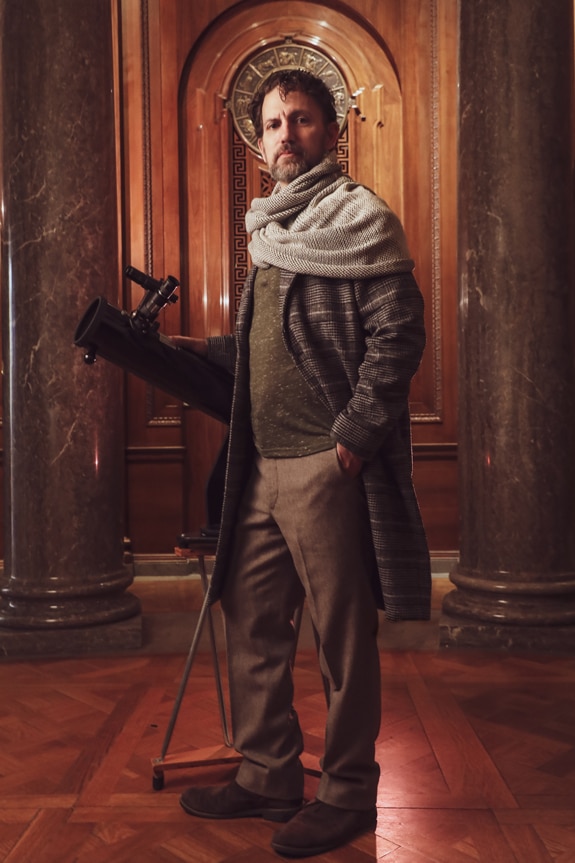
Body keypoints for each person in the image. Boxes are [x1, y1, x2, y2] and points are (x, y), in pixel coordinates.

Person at [173, 68, 431, 859]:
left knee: (341, 638)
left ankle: (348, 791)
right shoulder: (270, 231)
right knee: (251, 618)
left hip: (329, 463)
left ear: (331, 132)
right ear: (260, 140)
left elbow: (398, 338)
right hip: (259, 463)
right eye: (274, 123)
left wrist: (353, 435)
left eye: (303, 119)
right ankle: (267, 772)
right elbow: (267, 347)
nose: (286, 134)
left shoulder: (360, 219)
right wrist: (187, 351)